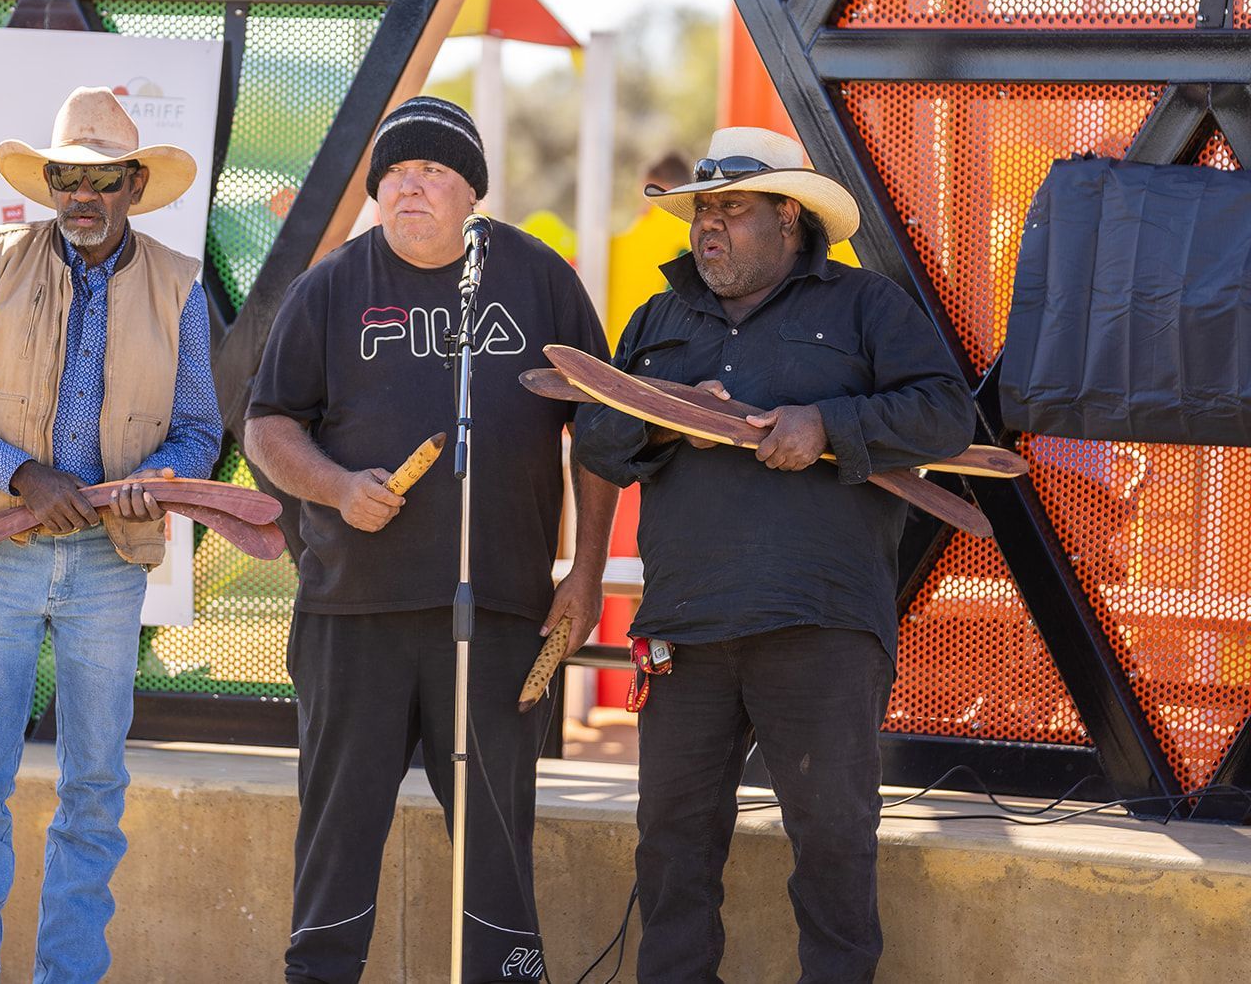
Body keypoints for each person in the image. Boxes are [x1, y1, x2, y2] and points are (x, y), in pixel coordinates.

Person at [573, 127, 975, 983]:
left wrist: (830, 423)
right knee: (672, 850)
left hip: (820, 624)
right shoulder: (658, 316)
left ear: (789, 217)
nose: (707, 227)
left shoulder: (864, 306)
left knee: (832, 845)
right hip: (685, 629)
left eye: (731, 209)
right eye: (700, 212)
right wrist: (669, 408)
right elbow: (597, 435)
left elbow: (946, 413)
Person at [243, 95, 618, 984]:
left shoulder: (539, 281)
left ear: (471, 193)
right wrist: (336, 486)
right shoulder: (331, 285)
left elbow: (599, 431)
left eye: (433, 174)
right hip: (353, 613)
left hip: (497, 614)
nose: (410, 190)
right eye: (395, 176)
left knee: (495, 840)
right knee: (336, 838)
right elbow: (267, 425)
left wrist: (588, 569)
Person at [0, 86, 222, 983]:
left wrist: (154, 479)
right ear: (48, 183)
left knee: (93, 793)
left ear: (132, 184)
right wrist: (24, 476)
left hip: (108, 565)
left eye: (102, 179)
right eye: (66, 177)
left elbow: (201, 429)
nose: (82, 196)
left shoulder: (180, 286)